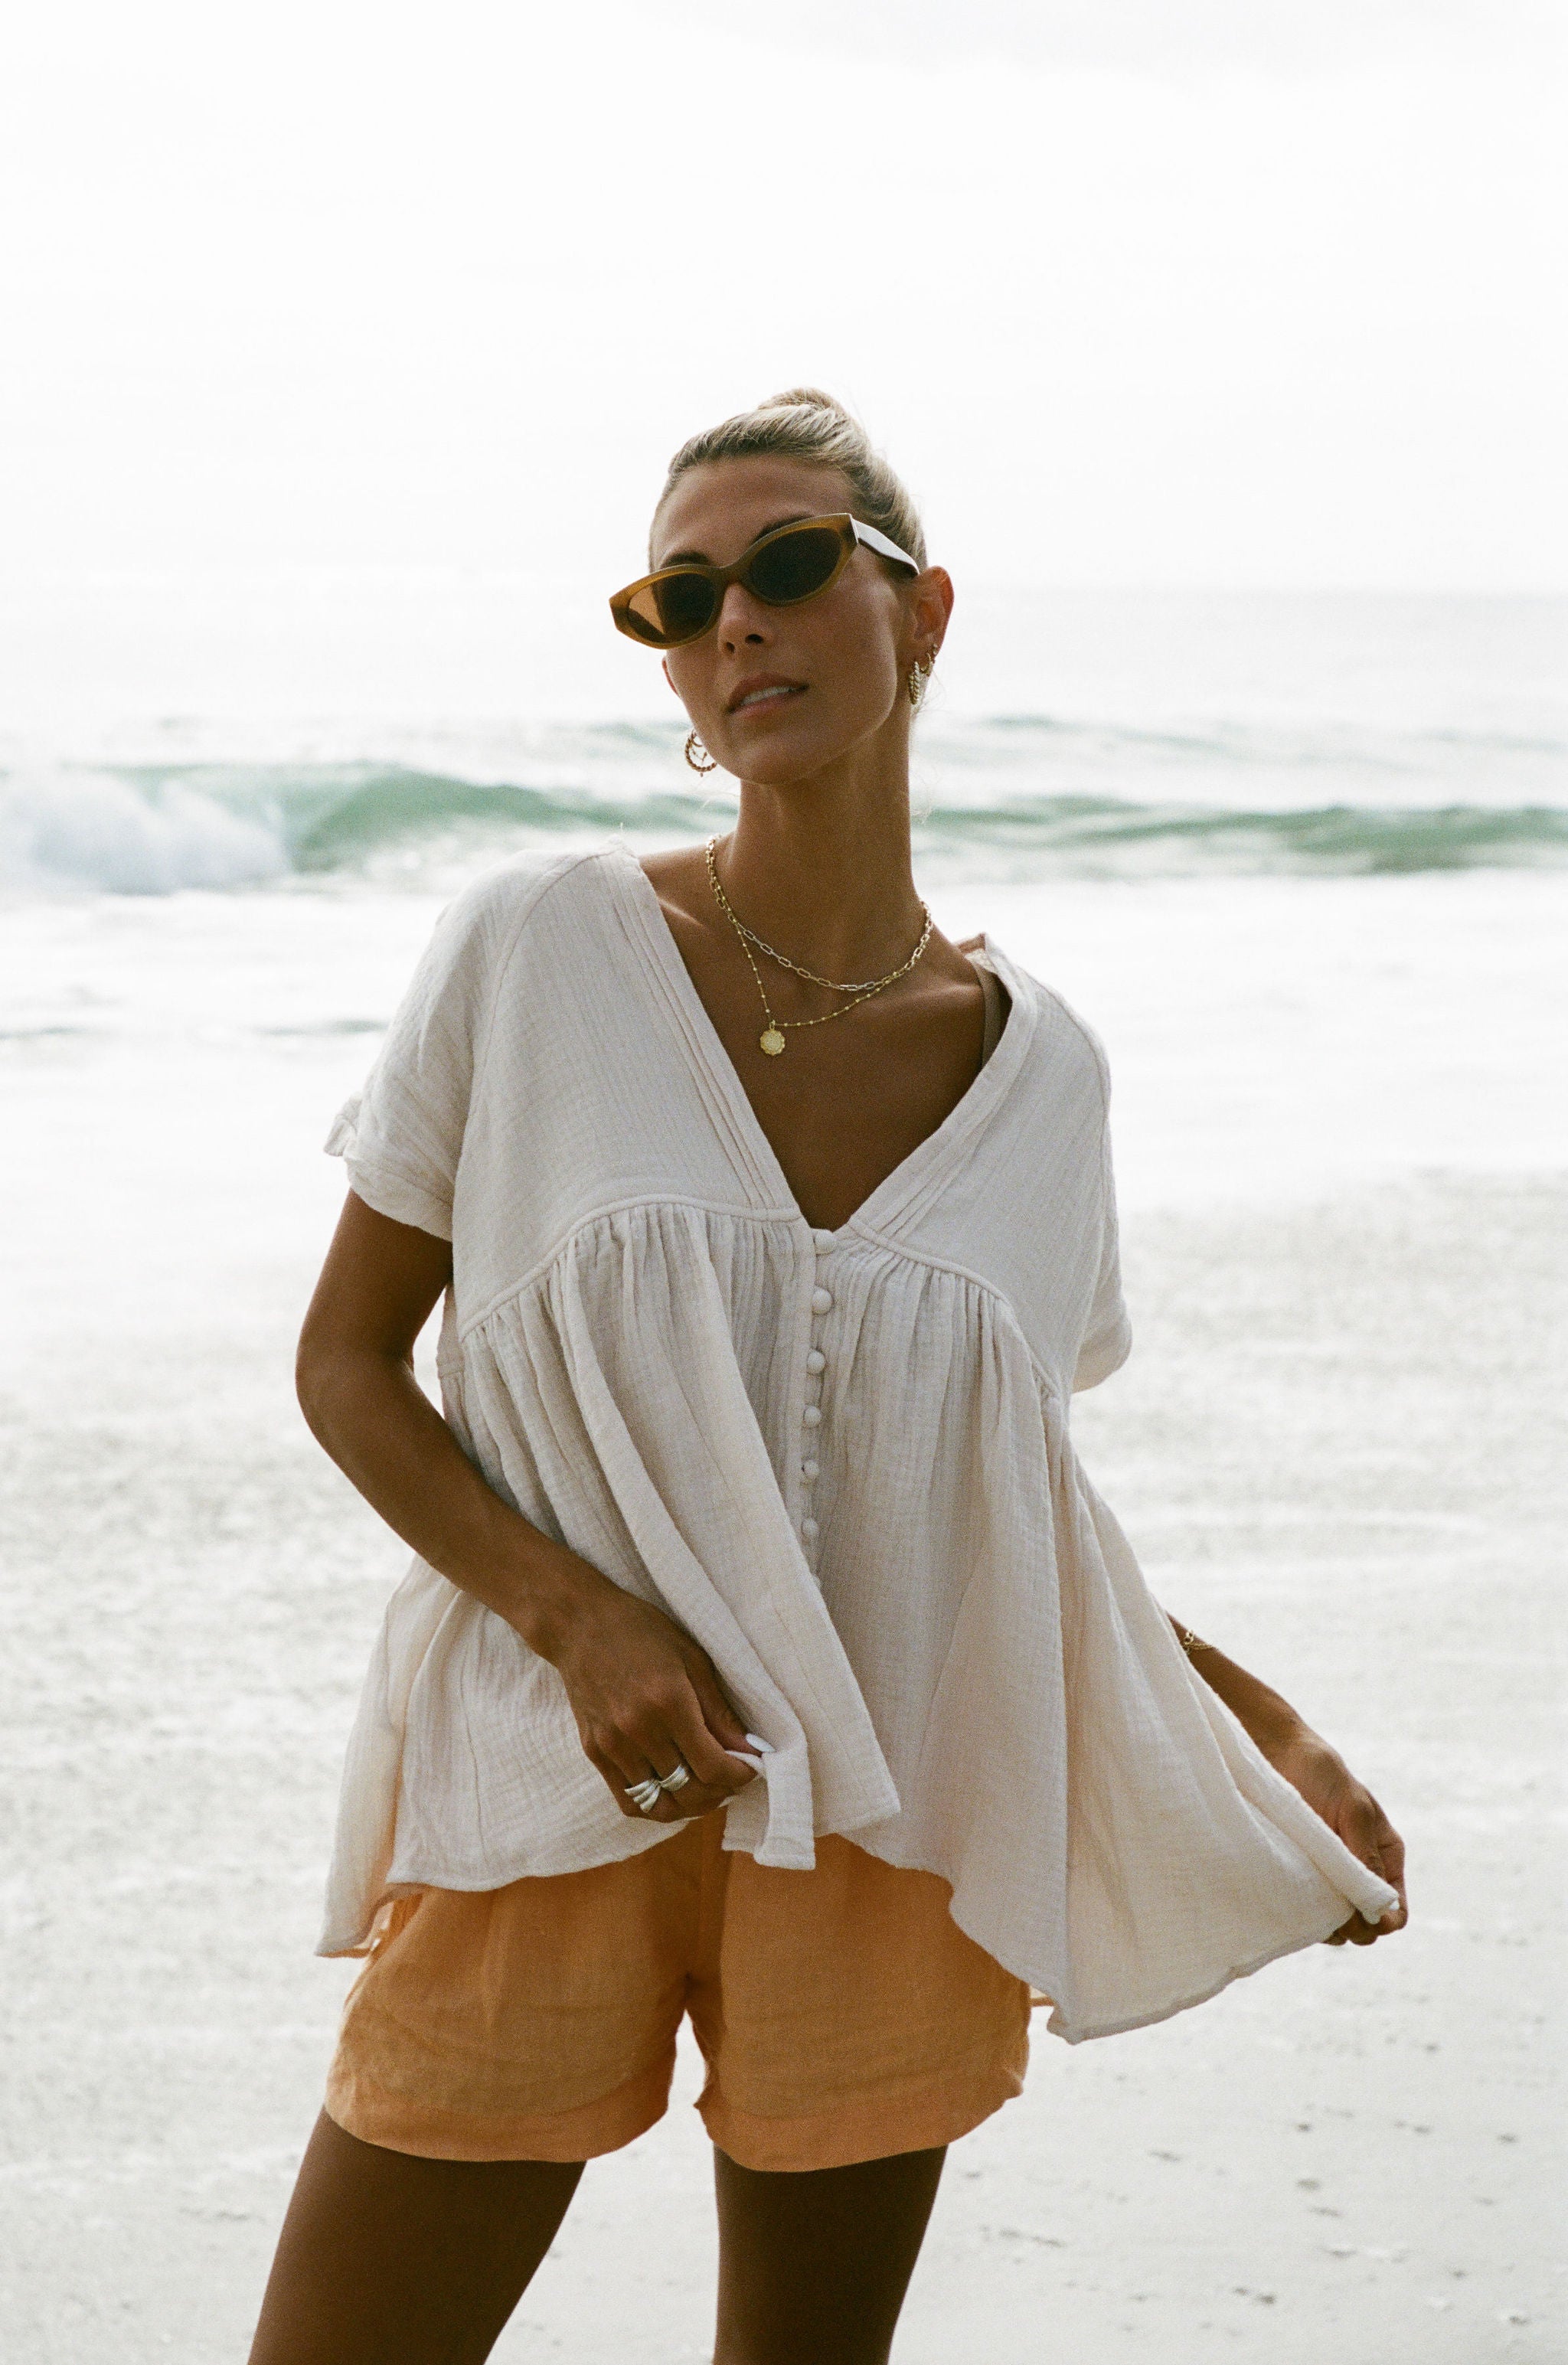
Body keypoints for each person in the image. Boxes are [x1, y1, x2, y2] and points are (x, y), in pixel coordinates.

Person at [247, 390, 1407, 2365]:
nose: (737, 624)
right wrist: (580, 1623)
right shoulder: (538, 950)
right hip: (551, 1782)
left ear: (922, 609)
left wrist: (1260, 1731)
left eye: (790, 564)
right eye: (679, 599)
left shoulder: (1048, 1081)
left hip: (881, 1829)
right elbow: (347, 1365)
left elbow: (1003, 1520)